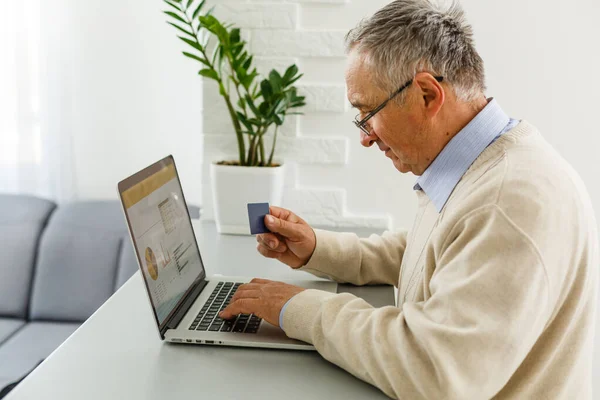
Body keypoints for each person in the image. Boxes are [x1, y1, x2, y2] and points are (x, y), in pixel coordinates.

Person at [220, 0, 599, 398]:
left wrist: (296, 308)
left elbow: (433, 370)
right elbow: (441, 250)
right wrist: (318, 249)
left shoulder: (507, 201)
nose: (365, 137)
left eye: (367, 113)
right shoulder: (480, 167)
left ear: (426, 94)